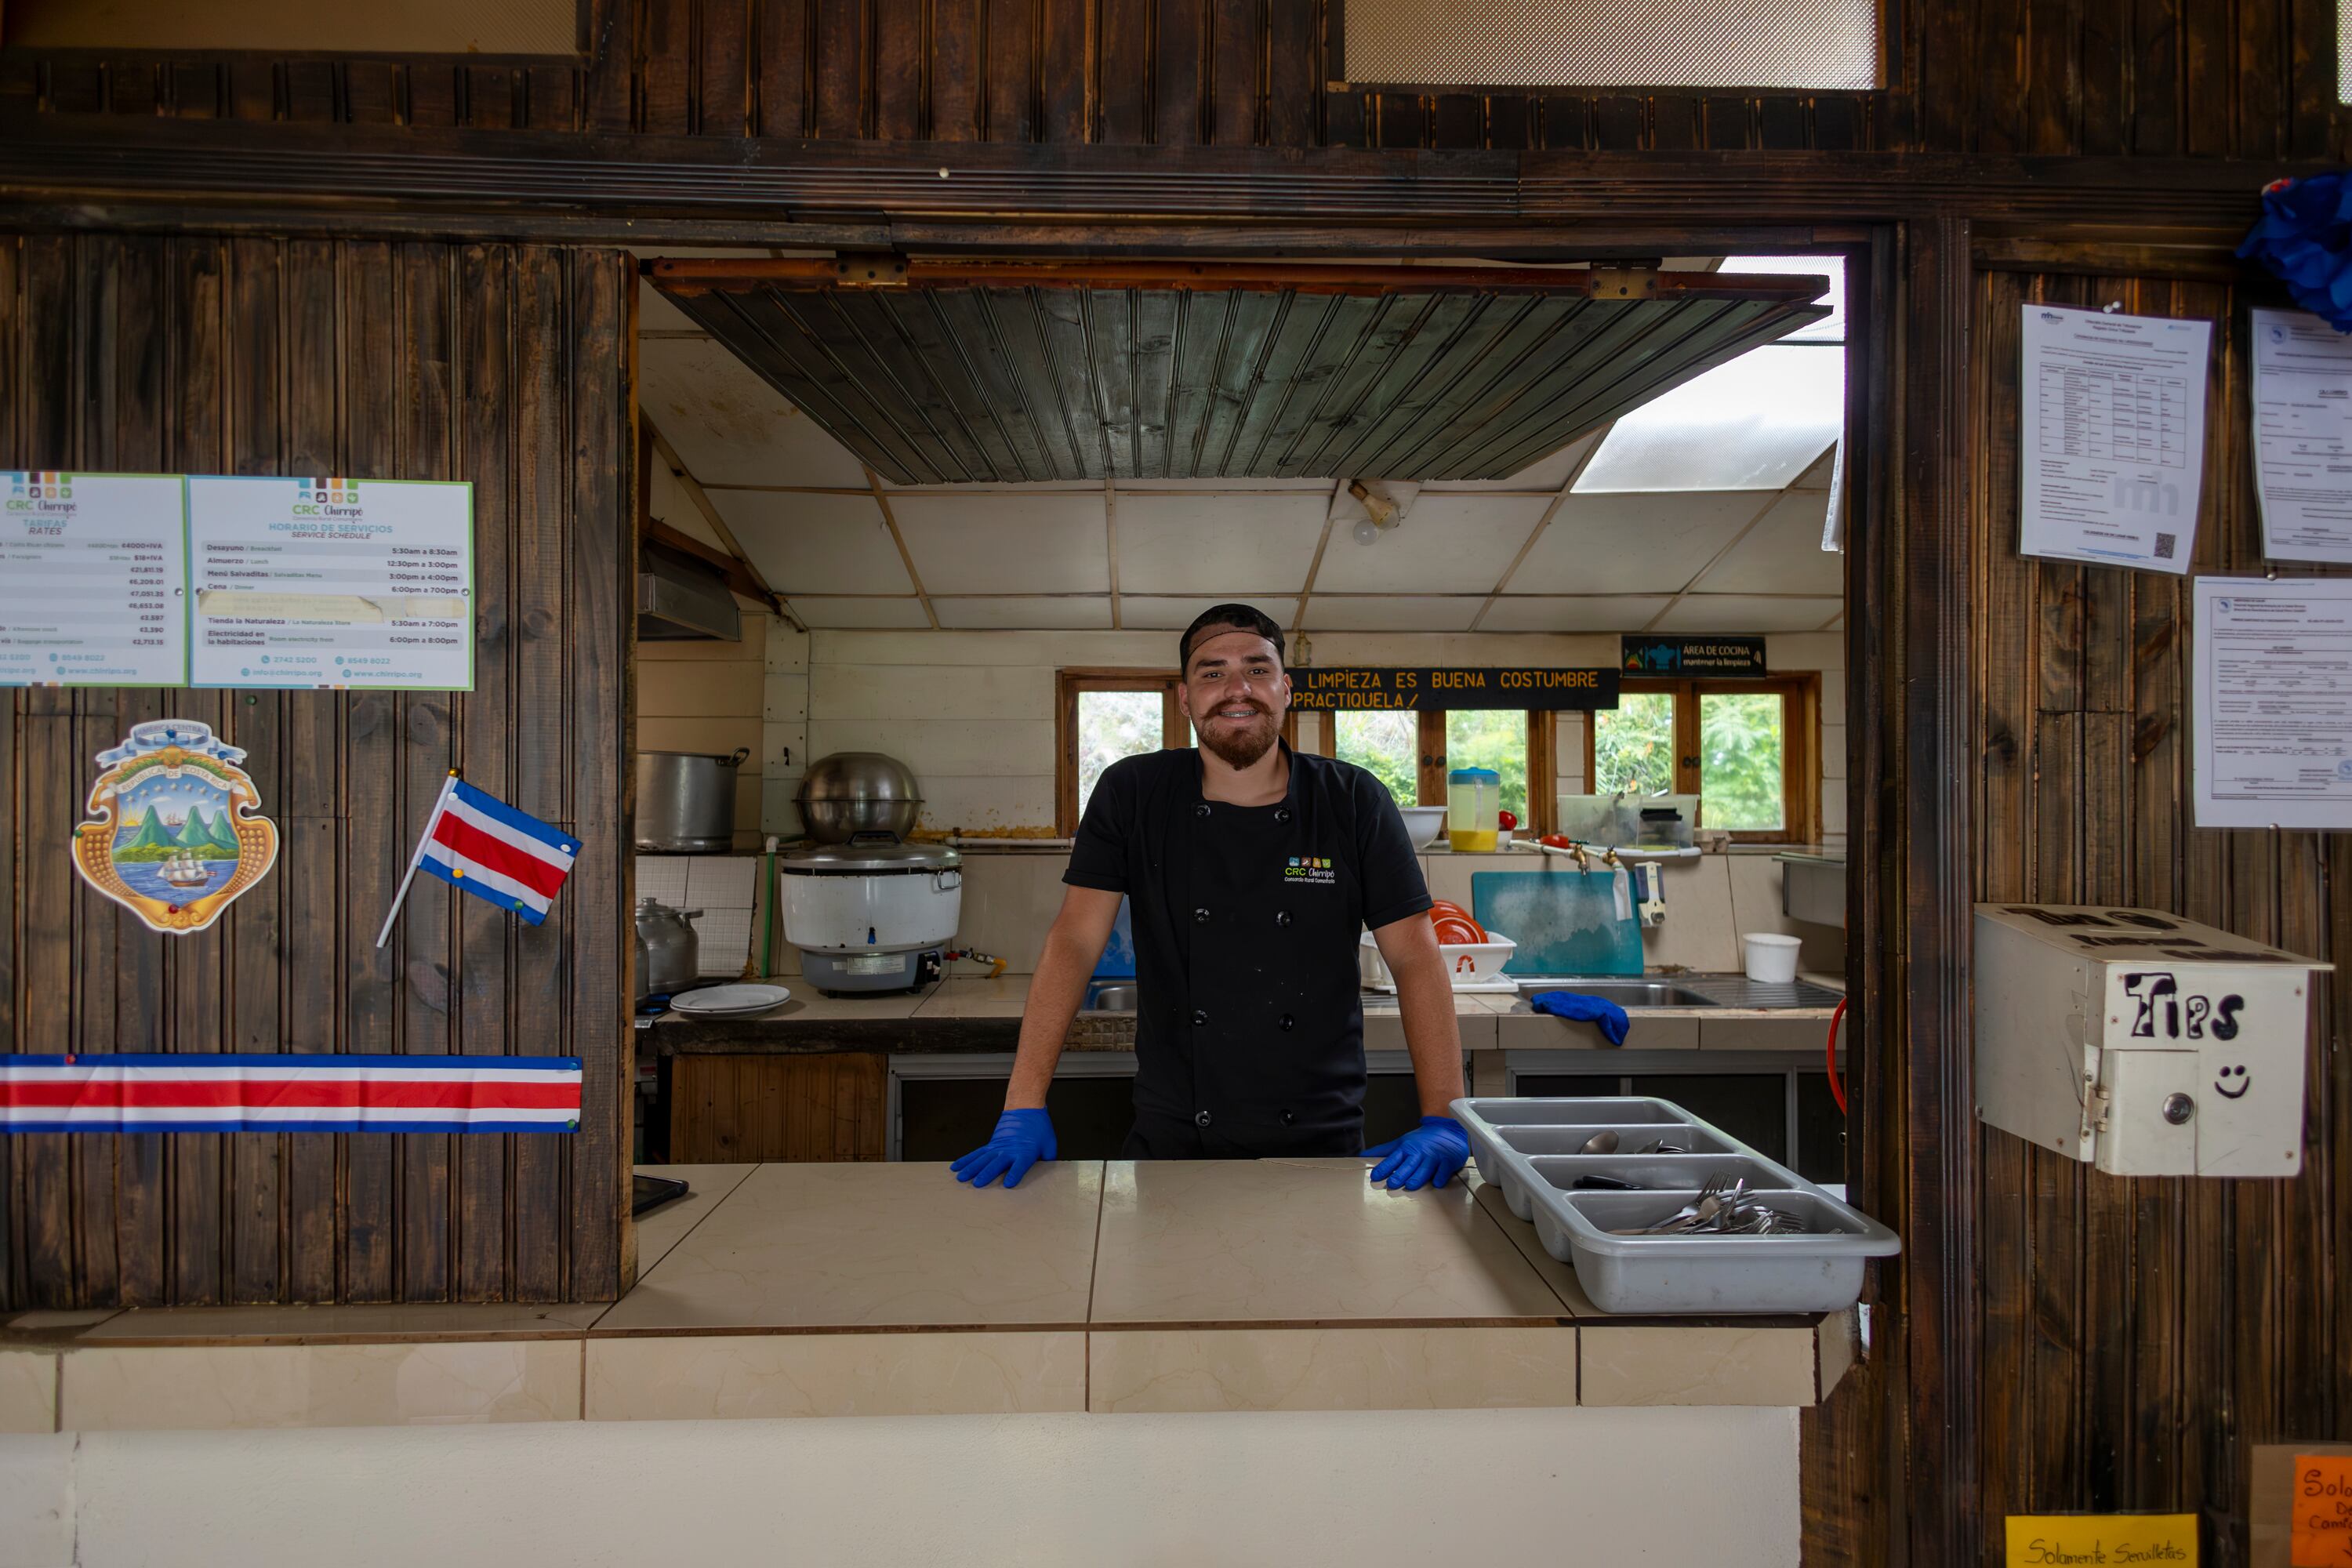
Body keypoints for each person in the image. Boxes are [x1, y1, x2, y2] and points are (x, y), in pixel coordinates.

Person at [951, 603, 1469, 1193]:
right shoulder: (1133, 793)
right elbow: (1074, 940)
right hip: (1174, 1142)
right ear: (1184, 698)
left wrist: (1445, 1115)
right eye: (1212, 672)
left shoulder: (1352, 800)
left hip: (1322, 1143)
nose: (1236, 689)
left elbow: (1415, 957)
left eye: (1256, 668)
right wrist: (1023, 1102)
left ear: (1286, 688)